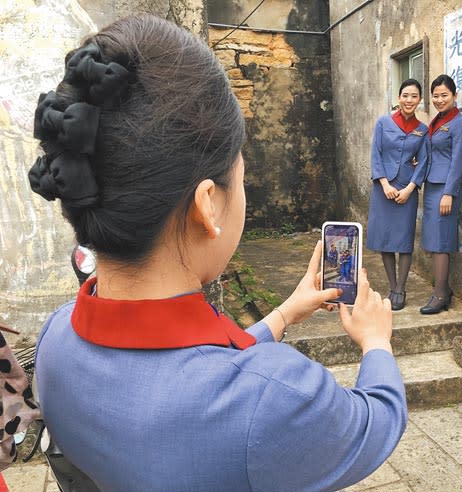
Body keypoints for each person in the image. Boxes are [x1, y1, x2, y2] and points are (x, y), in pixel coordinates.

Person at [32, 15, 407, 491]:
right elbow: (378, 421)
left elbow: (188, 372)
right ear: (208, 204)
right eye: (242, 178)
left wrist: (284, 314)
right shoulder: (272, 400)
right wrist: (377, 341)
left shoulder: (57, 338)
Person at [366, 79, 429, 311]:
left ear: (419, 100)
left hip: (406, 189)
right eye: (405, 95)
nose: (409, 100)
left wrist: (410, 189)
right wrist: (384, 184)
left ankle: (401, 288)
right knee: (385, 239)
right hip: (384, 188)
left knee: (404, 241)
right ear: (398, 97)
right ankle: (392, 286)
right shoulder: (384, 122)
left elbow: (423, 161)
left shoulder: (423, 130)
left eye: (414, 96)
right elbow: (376, 154)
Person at [420, 74, 462, 314]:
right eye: (436, 96)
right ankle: (442, 288)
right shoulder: (438, 121)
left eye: (444, 95)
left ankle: (440, 294)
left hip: (445, 189)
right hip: (432, 185)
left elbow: (459, 160)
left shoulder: (459, 123)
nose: (439, 100)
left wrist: (449, 193)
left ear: (454, 96)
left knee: (441, 241)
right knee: (432, 239)